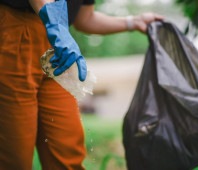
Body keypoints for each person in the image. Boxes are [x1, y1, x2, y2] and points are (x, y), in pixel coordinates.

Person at [0, 0, 163, 169]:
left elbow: (85, 18)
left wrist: (133, 22)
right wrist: (55, 23)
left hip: (57, 47)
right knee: (14, 156)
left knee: (66, 151)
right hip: (14, 30)